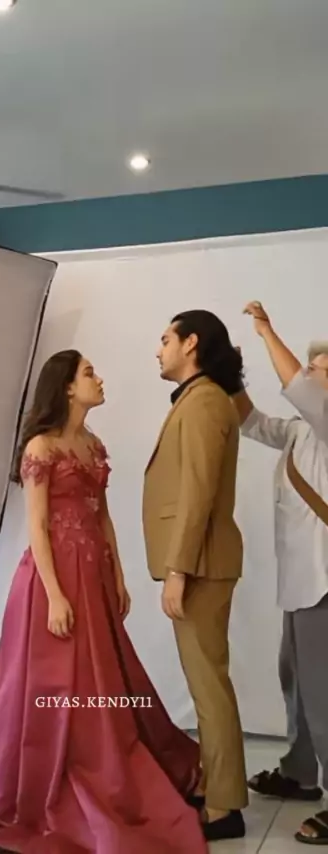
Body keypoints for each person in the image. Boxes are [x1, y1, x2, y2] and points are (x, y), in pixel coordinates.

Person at [0, 349, 208, 854]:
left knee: (103, 674)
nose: (100, 379)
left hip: (93, 573)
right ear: (67, 387)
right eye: (89, 373)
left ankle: (108, 761)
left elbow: (102, 516)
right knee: (54, 680)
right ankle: (48, 779)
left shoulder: (93, 445)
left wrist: (117, 575)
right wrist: (55, 595)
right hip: (51, 579)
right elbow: (36, 525)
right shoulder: (42, 446)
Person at [142, 310, 248, 843]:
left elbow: (198, 492)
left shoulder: (205, 401)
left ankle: (225, 808)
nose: (157, 349)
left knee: (209, 687)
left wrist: (177, 569)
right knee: (207, 684)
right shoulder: (200, 398)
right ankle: (213, 786)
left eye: (165, 339)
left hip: (200, 564)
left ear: (191, 343)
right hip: (200, 561)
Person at [233, 301, 328, 846]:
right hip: (302, 580)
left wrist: (267, 332)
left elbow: (298, 387)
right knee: (296, 679)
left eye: (317, 368)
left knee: (324, 693)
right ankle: (300, 773)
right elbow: (251, 422)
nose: (307, 374)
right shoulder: (301, 432)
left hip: (324, 580)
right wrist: (232, 376)